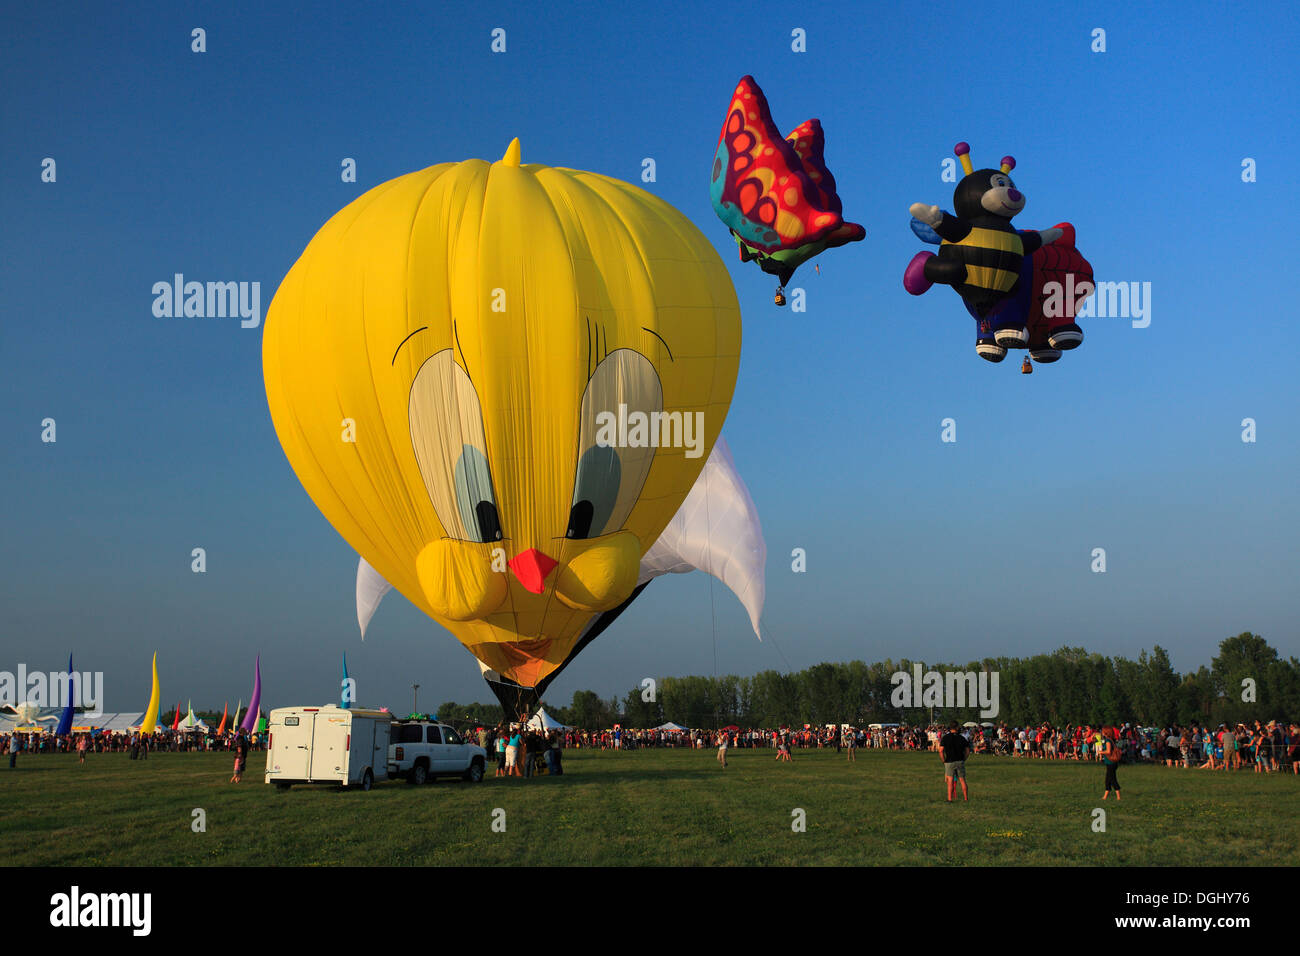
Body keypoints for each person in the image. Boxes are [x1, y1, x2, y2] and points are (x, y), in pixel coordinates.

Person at [939, 722, 970, 802]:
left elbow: (941, 750)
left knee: (950, 781)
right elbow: (967, 750)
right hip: (960, 760)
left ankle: (950, 799)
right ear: (957, 728)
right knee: (962, 780)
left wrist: (943, 761)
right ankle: (966, 798)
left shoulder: (945, 738)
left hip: (949, 761)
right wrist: (964, 759)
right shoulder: (961, 738)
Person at [1100, 729, 1122, 800]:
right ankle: (1105, 796)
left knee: (1112, 779)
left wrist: (1101, 752)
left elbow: (1108, 751)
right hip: (1110, 762)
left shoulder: (1108, 741)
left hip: (1111, 762)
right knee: (1108, 780)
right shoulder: (1111, 740)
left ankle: (1118, 796)